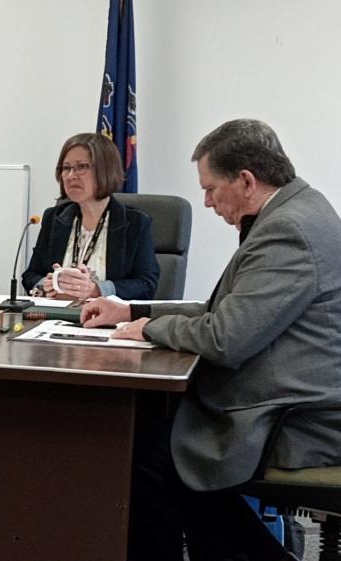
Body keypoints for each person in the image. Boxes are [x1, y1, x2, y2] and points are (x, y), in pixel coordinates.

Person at [81, 119, 341, 560]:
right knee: (154, 445)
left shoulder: (288, 231)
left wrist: (147, 329)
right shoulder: (296, 210)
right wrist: (133, 310)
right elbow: (223, 308)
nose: (205, 202)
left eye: (210, 188)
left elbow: (225, 337)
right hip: (291, 396)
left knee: (146, 459)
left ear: (245, 180)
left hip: (296, 417)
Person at [22, 132, 159, 300]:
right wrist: (46, 284)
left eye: (81, 167)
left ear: (105, 170)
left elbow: (146, 284)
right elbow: (30, 275)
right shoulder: (54, 218)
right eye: (66, 168)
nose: (71, 175)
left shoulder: (135, 223)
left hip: (107, 321)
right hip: (55, 318)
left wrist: (96, 289)